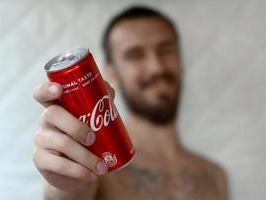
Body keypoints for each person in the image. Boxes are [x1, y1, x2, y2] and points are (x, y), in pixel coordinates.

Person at [33, 6, 228, 200]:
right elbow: (71, 193)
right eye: (135, 55)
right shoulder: (97, 168)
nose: (156, 67)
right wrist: (64, 187)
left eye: (166, 50)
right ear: (110, 73)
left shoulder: (215, 176)